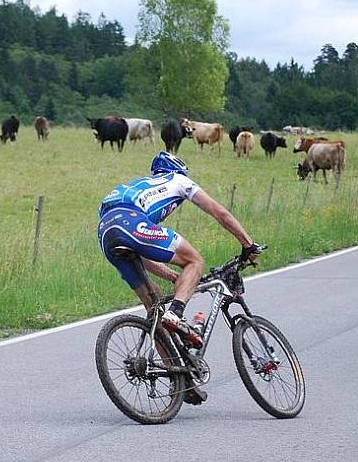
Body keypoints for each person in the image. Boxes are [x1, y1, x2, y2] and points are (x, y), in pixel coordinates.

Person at [97, 151, 263, 403]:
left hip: (106, 232)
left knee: (154, 311)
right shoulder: (178, 180)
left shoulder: (138, 186)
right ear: (178, 170)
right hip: (131, 222)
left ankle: (181, 381)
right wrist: (248, 244)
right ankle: (176, 312)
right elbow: (221, 214)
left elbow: (138, 253)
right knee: (194, 261)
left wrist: (175, 277)